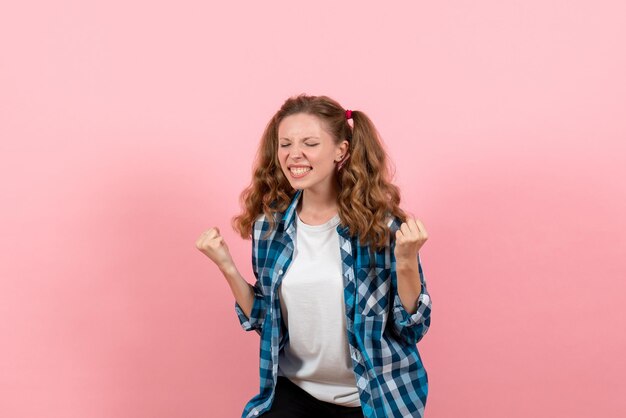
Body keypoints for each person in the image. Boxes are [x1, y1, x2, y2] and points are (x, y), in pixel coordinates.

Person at [196, 94, 432, 418]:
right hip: (296, 393)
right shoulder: (270, 228)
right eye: (285, 144)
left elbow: (411, 327)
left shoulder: (382, 229)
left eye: (310, 143)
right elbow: (264, 320)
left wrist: (405, 261)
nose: (294, 155)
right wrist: (226, 265)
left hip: (373, 400)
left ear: (341, 151)